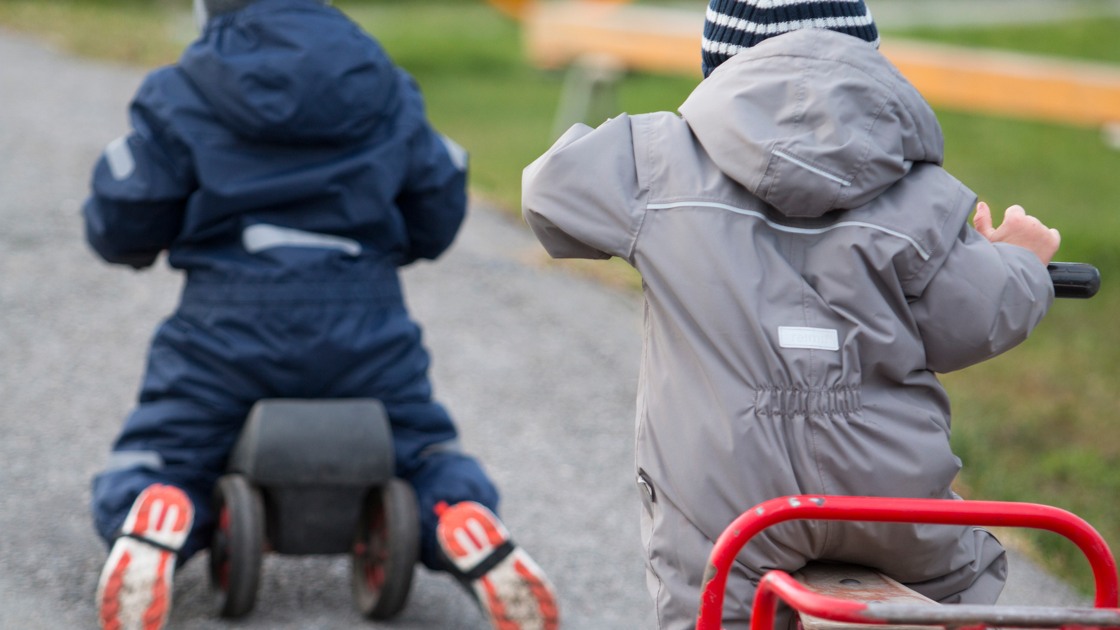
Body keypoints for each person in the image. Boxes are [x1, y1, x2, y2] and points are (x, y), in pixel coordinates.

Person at [521, 0, 1061, 628]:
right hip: (892, 507)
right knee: (961, 577)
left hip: (730, 510)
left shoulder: (659, 163)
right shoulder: (923, 194)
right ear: (869, 62)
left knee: (708, 596)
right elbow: (969, 322)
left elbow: (550, 192)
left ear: (719, 70)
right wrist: (1023, 264)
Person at [83, 1, 558, 629]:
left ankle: (156, 510)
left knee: (170, 445)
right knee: (417, 446)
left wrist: (132, 240)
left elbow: (127, 211)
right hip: (365, 316)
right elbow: (438, 199)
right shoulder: (384, 85)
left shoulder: (183, 89)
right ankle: (460, 518)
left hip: (225, 323)